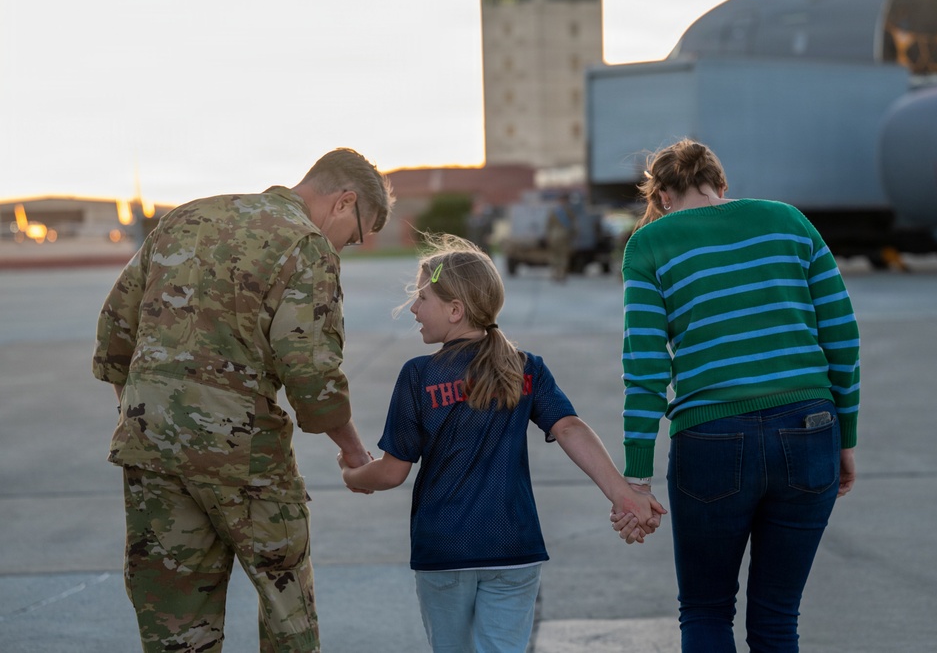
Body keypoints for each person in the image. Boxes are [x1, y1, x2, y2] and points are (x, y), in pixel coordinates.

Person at [92, 148, 394, 653]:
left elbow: (115, 329)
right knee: (286, 606)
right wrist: (354, 451)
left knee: (173, 620)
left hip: (150, 449)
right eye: (358, 235)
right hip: (241, 454)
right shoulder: (306, 245)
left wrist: (142, 412)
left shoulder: (185, 217)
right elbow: (312, 375)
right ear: (345, 203)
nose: (350, 246)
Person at [338, 234, 665, 653]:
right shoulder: (525, 367)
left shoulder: (419, 375)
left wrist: (352, 474)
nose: (414, 309)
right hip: (514, 548)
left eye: (422, 299)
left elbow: (392, 471)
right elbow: (569, 428)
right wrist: (623, 493)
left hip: (445, 549)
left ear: (455, 310)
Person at [612, 139, 859, 652]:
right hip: (811, 429)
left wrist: (637, 476)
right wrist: (846, 437)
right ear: (722, 186)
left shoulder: (650, 245)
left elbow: (645, 365)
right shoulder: (790, 221)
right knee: (776, 619)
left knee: (705, 612)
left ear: (660, 197)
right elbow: (841, 332)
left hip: (711, 437)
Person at [545, 194, 577, 282]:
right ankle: (560, 273)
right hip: (563, 236)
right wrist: (574, 236)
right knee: (561, 256)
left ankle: (557, 273)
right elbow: (573, 225)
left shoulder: (555, 211)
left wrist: (548, 236)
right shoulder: (567, 211)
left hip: (555, 236)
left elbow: (548, 225)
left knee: (557, 255)